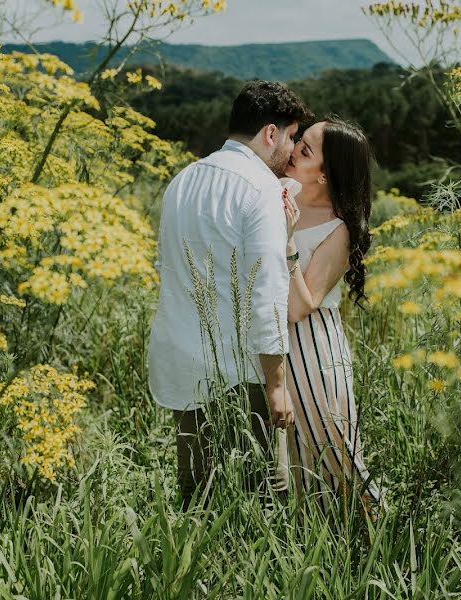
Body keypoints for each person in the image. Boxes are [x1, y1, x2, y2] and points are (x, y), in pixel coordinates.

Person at [147, 80, 312, 507]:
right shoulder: (260, 190)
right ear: (269, 133)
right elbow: (268, 292)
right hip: (242, 372)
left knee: (196, 495)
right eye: (291, 137)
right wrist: (276, 385)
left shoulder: (182, 180)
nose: (292, 150)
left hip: (184, 361)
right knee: (264, 495)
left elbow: (167, 267)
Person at [280, 118, 383, 509]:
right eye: (298, 142)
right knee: (290, 463)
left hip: (312, 350)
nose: (292, 151)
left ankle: (374, 546)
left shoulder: (338, 229)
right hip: (274, 347)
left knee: (335, 459)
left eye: (305, 151)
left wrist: (286, 239)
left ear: (326, 176)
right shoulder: (279, 192)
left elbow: (299, 305)